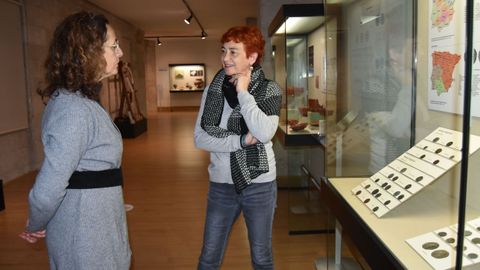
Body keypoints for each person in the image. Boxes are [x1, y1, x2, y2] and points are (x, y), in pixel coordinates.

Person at [19, 11, 131, 269]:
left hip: (96, 223)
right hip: (85, 233)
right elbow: (48, 188)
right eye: (114, 46)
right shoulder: (73, 110)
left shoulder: (82, 103)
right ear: (87, 53)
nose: (120, 53)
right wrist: (36, 222)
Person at [194, 25, 282, 270]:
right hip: (221, 185)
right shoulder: (212, 91)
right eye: (223, 51)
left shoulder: (269, 90)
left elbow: (264, 133)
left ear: (251, 57)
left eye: (233, 52)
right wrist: (240, 141)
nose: (225, 58)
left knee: (262, 257)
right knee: (208, 257)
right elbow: (201, 138)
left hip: (260, 184)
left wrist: (243, 93)